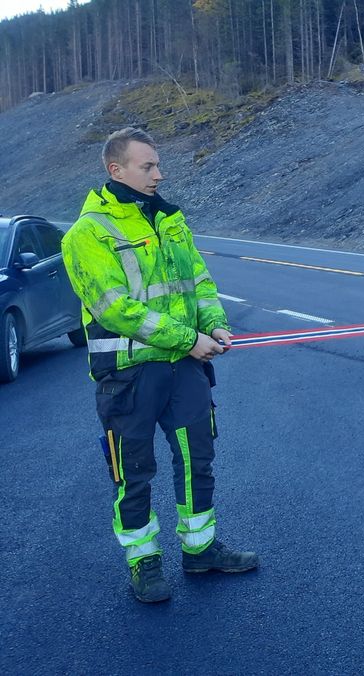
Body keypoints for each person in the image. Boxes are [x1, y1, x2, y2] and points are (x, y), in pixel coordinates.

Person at [61, 127, 258, 603]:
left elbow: (199, 280)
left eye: (157, 165)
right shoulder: (87, 234)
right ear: (116, 170)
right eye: (147, 166)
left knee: (198, 462)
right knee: (134, 472)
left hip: (184, 368)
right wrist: (188, 339)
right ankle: (144, 564)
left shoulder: (170, 219)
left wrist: (214, 325)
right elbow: (115, 309)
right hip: (129, 376)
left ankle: (200, 550)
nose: (158, 174)